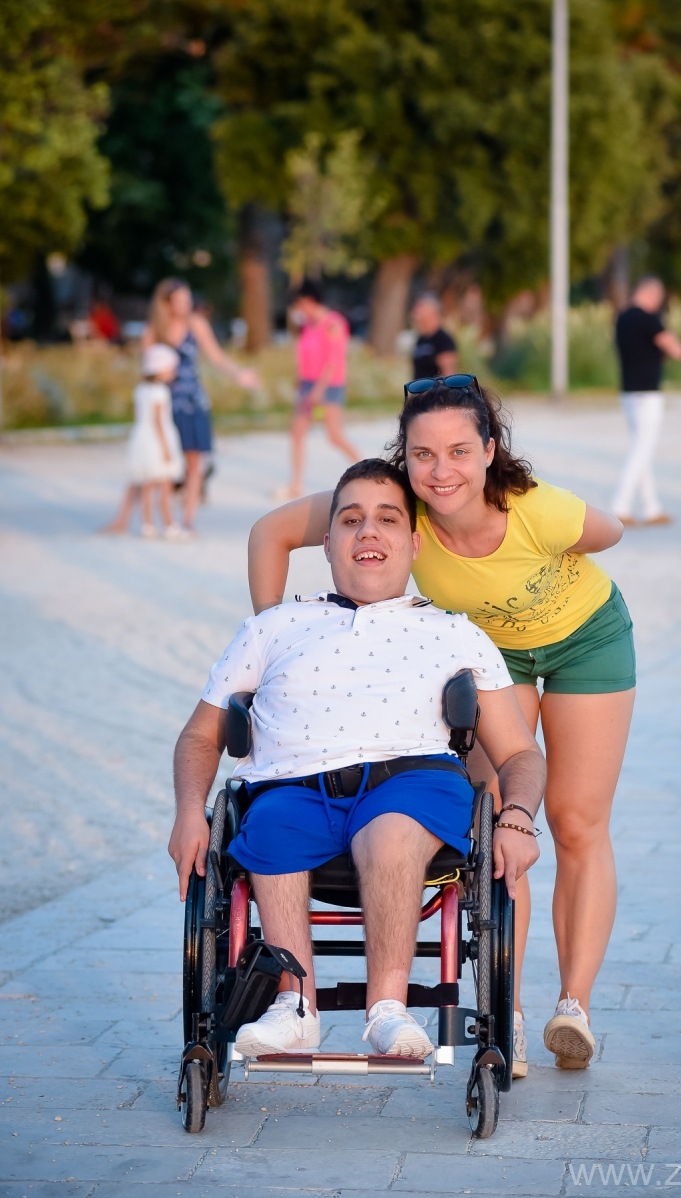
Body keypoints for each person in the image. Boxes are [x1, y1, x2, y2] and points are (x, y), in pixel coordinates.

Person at [247, 375, 636, 1076]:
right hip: (491, 656)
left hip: (585, 638)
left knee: (578, 820)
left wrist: (541, 574)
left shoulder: (536, 509)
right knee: (498, 817)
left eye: (459, 451)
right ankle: (508, 1014)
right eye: (423, 454)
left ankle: (572, 1005)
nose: (440, 470)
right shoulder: (402, 507)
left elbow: (611, 531)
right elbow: (270, 532)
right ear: (406, 455)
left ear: (489, 450)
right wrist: (280, 633)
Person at [169, 459, 545, 1059]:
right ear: (327, 544)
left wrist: (518, 818)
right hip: (292, 787)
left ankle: (388, 1008)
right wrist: (190, 811)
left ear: (414, 544)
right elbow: (198, 736)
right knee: (270, 823)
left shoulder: (455, 632)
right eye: (351, 519)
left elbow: (521, 751)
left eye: (387, 519)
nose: (368, 531)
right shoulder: (273, 627)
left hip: (412, 784)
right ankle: (294, 1006)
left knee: (389, 832)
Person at [143, 278, 260, 534]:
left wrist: (239, 374)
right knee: (164, 462)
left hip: (193, 400)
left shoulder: (196, 324)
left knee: (195, 462)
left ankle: (188, 519)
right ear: (166, 304)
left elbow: (216, 356)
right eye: (180, 300)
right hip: (165, 403)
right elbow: (147, 370)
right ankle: (163, 518)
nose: (186, 304)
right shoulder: (154, 330)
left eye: (187, 299)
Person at [612, 277, 681, 526]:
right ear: (653, 294)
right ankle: (620, 505)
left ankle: (651, 507)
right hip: (648, 392)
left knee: (640, 448)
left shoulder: (622, 318)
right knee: (641, 450)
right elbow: (678, 350)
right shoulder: (649, 319)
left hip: (628, 391)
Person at [280, 279, 360, 499]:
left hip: (329, 386)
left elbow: (333, 361)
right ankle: (296, 484)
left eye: (299, 304)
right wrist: (300, 379)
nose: (298, 309)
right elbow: (305, 353)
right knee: (297, 432)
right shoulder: (307, 325)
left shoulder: (334, 323)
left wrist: (318, 391)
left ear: (308, 301)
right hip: (307, 384)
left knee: (334, 436)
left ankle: (367, 470)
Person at [100, 344, 185, 538]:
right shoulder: (160, 391)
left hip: (143, 441)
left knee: (147, 486)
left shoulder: (141, 390)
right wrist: (166, 448)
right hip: (158, 441)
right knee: (164, 486)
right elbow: (158, 421)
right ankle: (169, 525)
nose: (174, 373)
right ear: (160, 370)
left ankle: (148, 525)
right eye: (171, 369)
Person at [410, 293, 458, 380]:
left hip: (435, 388)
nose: (415, 311)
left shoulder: (443, 340)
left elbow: (448, 375)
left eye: (420, 307)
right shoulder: (420, 340)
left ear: (432, 311)